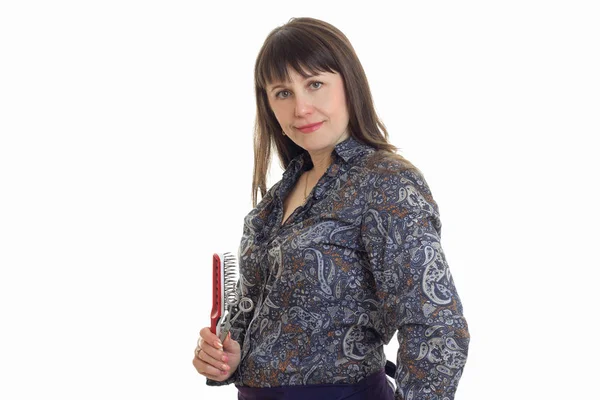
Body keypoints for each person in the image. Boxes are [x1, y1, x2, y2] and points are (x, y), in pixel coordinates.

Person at [193, 17, 470, 400]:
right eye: (283, 93)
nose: (301, 107)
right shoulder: (274, 202)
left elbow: (437, 326)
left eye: (315, 84)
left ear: (349, 85)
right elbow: (257, 313)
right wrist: (230, 355)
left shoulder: (385, 183)